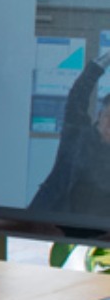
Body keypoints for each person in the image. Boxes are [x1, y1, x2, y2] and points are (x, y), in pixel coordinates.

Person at [30, 49, 110, 216]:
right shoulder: (77, 135)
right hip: (47, 221)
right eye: (109, 116)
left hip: (95, 229)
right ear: (99, 115)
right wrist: (98, 66)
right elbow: (77, 97)